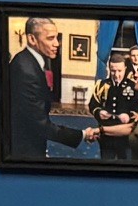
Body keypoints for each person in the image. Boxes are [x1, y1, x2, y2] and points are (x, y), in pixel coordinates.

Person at [5, 13, 88, 161]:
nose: (57, 43)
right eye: (50, 38)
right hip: (23, 149)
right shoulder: (25, 69)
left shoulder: (30, 62)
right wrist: (82, 134)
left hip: (30, 142)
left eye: (57, 38)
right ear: (32, 39)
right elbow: (39, 123)